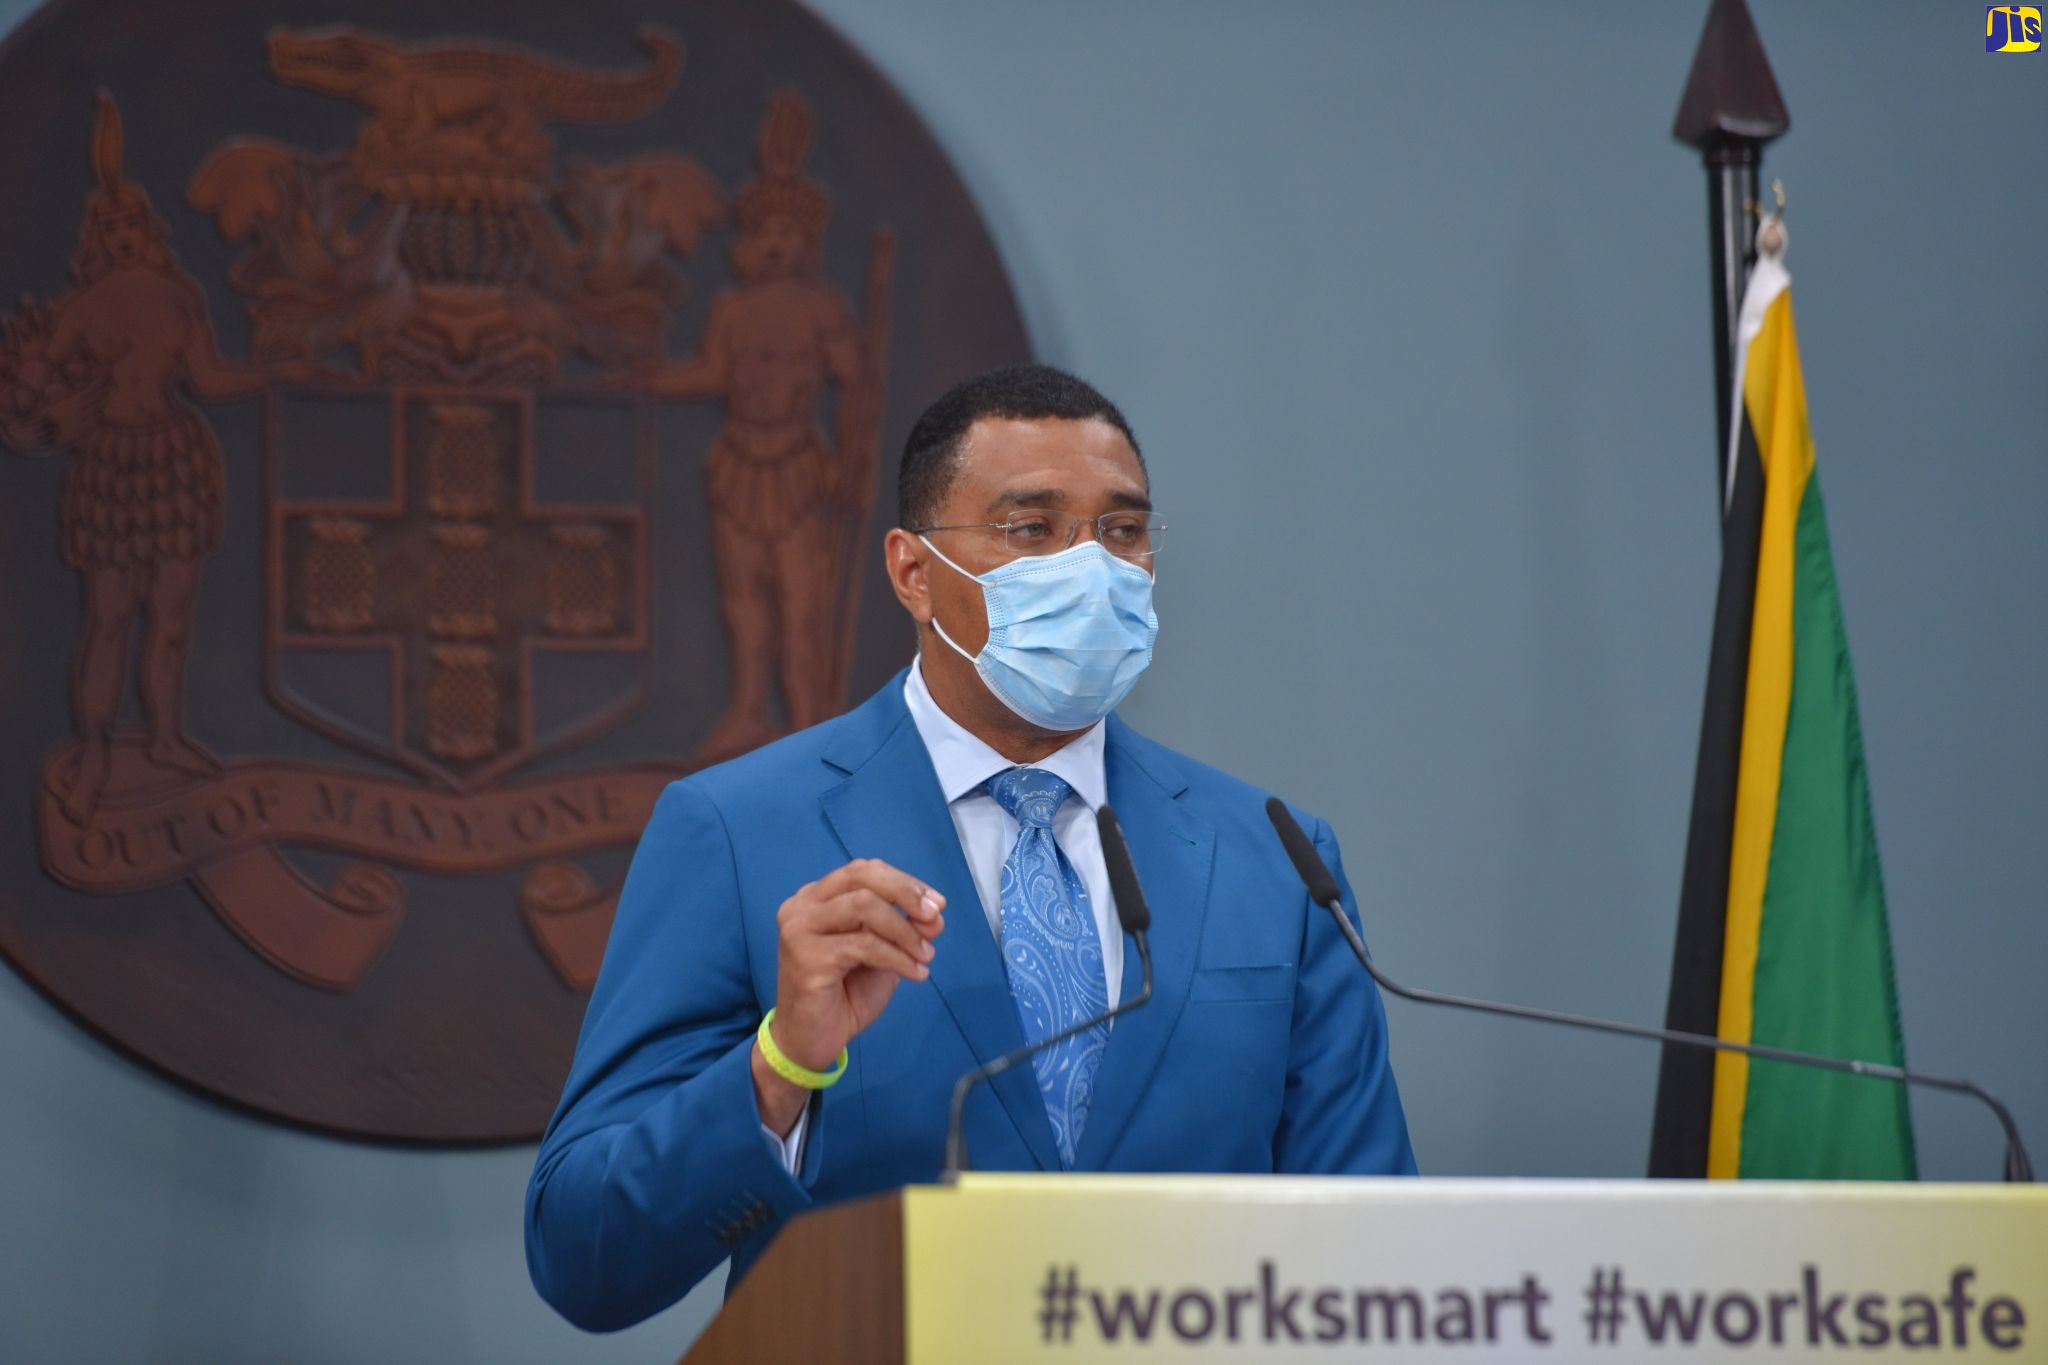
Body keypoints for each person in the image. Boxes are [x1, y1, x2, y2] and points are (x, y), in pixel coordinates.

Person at [525, 365, 1415, 1333]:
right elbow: (587, 1258)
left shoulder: (1273, 853)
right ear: (913, 573)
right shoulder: (737, 829)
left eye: (1120, 532)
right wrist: (781, 1065)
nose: (1091, 569)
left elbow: (1367, 1251)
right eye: (1031, 530)